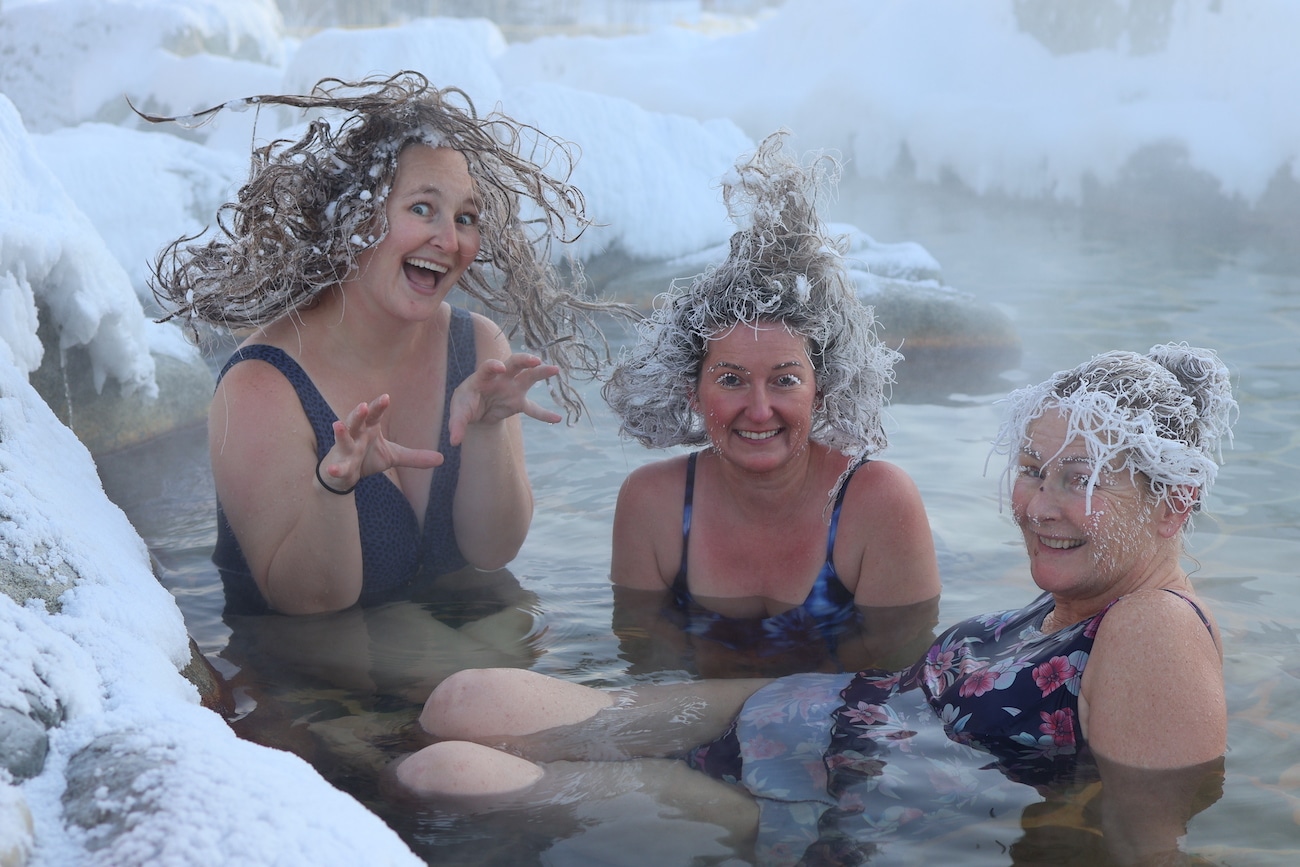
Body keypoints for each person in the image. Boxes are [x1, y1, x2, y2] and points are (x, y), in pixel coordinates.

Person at [393, 342, 1235, 865]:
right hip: (795, 722)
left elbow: (1141, 845)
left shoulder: (1153, 627)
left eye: (1079, 478)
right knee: (466, 699)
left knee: (448, 772)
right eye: (1033, 467)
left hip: (818, 807)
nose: (1039, 503)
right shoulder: (1080, 599)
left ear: (1172, 503)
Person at [147, 72, 621, 617]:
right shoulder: (260, 382)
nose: (450, 240)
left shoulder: (477, 346)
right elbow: (306, 604)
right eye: (423, 208)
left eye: (466, 218)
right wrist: (335, 489)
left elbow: (493, 554)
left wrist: (487, 430)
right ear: (357, 215)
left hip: (453, 640)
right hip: (313, 680)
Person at [603, 133, 941, 676]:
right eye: (731, 379)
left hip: (836, 737)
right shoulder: (654, 504)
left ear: (822, 389)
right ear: (693, 391)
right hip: (697, 726)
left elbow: (901, 681)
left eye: (784, 380)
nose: (759, 410)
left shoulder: (877, 504)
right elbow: (644, 660)